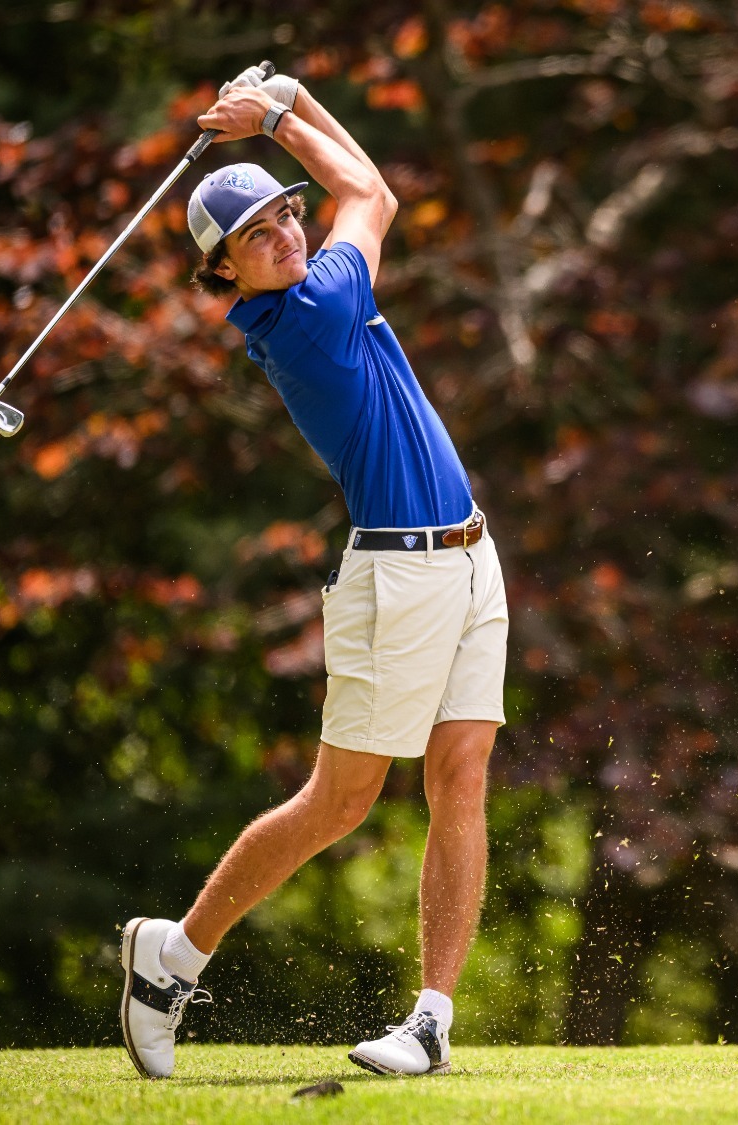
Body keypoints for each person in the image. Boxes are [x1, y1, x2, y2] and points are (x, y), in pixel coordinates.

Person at [116, 64, 507, 1081]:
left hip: (470, 557)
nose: (286, 233)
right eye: (257, 235)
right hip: (398, 581)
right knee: (340, 803)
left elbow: (356, 185)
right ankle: (175, 956)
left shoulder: (313, 283)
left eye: (288, 215)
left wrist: (289, 103)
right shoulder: (309, 314)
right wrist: (283, 114)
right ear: (225, 275)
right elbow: (369, 195)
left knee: (460, 775)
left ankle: (429, 1020)